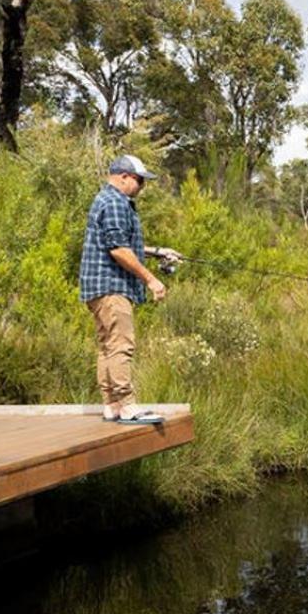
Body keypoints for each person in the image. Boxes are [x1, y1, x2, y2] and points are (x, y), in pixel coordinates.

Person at [79, 155, 180, 424]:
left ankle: (111, 405)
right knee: (122, 346)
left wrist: (157, 252)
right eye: (140, 181)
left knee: (107, 347)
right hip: (112, 287)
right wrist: (151, 280)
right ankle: (127, 405)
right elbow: (118, 249)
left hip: (98, 288)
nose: (142, 187)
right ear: (123, 176)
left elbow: (117, 240)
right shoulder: (114, 202)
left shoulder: (107, 199)